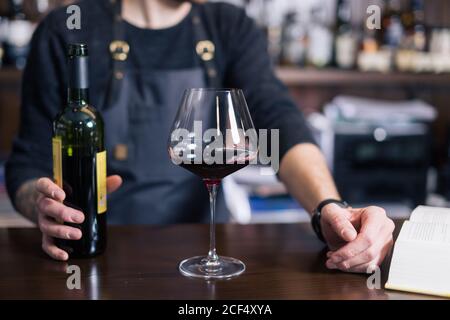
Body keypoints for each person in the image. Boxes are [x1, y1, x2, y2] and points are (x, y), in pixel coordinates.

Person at [5, 0, 394, 272]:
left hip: (204, 256)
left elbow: (277, 125)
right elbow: (27, 160)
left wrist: (328, 207)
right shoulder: (68, 28)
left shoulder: (228, 25)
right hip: (95, 250)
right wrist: (40, 206)